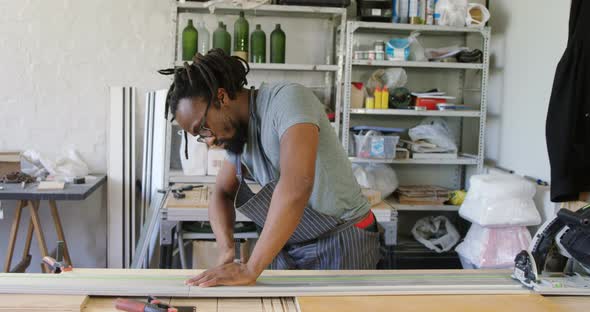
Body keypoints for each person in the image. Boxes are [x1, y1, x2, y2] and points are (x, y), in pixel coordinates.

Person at [159, 49, 379, 287]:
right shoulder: (239, 136)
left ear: (220, 97)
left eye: (203, 128)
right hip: (290, 243)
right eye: (200, 137)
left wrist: (251, 268)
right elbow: (221, 193)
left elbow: (297, 186)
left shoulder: (288, 100)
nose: (209, 140)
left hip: (342, 238)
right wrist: (226, 250)